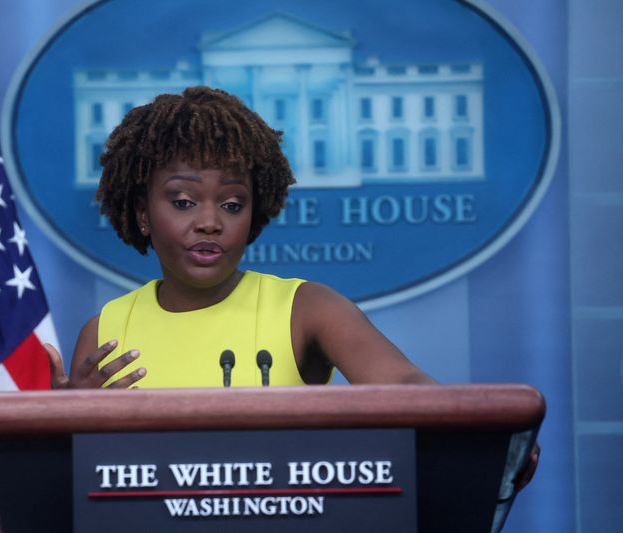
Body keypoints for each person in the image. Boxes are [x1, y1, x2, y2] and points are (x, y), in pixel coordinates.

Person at [44, 85, 538, 488]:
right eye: (183, 201)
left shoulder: (307, 308)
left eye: (233, 204)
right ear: (141, 215)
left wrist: (485, 436)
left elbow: (406, 388)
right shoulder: (107, 329)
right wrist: (63, 429)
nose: (210, 222)